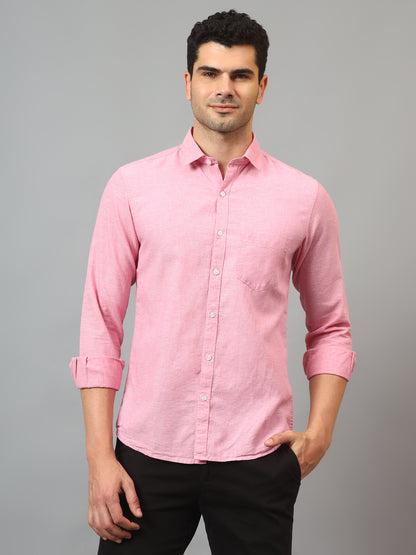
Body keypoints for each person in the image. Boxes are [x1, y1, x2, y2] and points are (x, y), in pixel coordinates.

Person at [69, 9, 356, 555]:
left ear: (261, 87)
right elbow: (100, 325)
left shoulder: (305, 199)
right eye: (210, 73)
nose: (225, 89)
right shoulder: (131, 188)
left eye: (241, 75)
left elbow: (331, 328)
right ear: (188, 82)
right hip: (148, 454)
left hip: (257, 456)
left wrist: (319, 433)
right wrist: (99, 457)